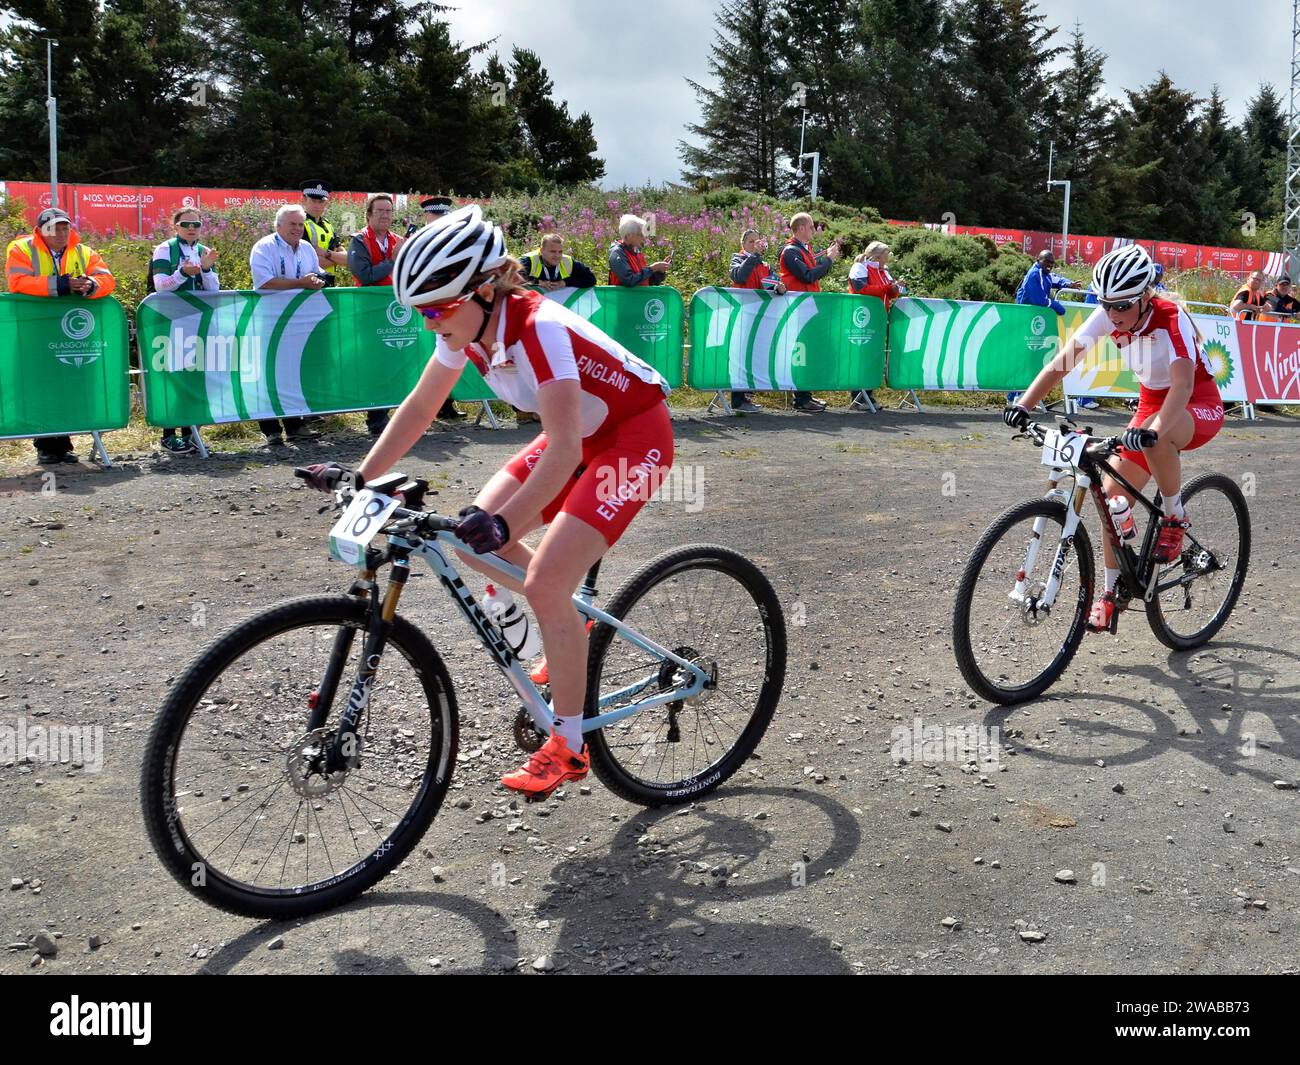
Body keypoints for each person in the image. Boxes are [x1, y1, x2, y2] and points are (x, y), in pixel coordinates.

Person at [301, 205, 674, 799]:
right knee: (467, 544)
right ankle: (571, 620)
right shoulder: (468, 329)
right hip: (573, 436)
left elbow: (564, 450)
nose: (428, 324)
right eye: (420, 311)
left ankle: (571, 745)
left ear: (483, 291)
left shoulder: (539, 329)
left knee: (543, 578)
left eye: (437, 309)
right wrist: (362, 474)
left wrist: (503, 523)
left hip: (632, 436)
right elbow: (422, 407)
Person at [1003, 244, 1223, 633]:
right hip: (1150, 405)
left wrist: (1153, 432)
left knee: (1158, 432)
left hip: (1196, 403)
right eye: (1106, 305)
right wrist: (1024, 405)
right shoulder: (1108, 316)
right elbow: (1062, 363)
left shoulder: (1171, 318)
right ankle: (1110, 593)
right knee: (1112, 500)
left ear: (1144, 297)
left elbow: (1184, 386)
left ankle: (1175, 514)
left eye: (1122, 306)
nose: (1113, 314)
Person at [4, 207, 117, 464]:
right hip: (34, 330)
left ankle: (64, 444)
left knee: (69, 384)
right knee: (39, 385)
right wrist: (63, 285)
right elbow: (18, 282)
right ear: (41, 230)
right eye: (55, 227)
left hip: (72, 332)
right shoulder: (21, 249)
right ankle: (44, 445)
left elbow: (107, 280)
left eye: (65, 227)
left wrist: (90, 286)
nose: (61, 232)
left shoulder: (83, 251)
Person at [249, 204, 327, 446]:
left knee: (292, 374)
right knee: (268, 374)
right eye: (292, 224)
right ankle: (271, 429)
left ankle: (295, 425)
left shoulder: (306, 248)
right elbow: (264, 282)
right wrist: (301, 283)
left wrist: (317, 280)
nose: (297, 229)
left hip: (299, 321)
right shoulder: (264, 247)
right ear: (278, 225)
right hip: (270, 320)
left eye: (301, 224)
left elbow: (316, 273)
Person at [151, 207, 220, 455]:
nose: (192, 228)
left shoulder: (203, 251)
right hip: (169, 322)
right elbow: (160, 285)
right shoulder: (164, 248)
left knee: (194, 377)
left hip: (198, 323)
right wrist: (182, 273)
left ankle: (191, 433)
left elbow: (213, 289)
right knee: (174, 376)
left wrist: (207, 269)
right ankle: (168, 436)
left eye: (196, 224)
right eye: (186, 224)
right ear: (175, 226)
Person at [347, 193, 405, 437]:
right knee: (374, 364)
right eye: (379, 211)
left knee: (395, 363)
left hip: (396, 311)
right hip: (369, 313)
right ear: (368, 215)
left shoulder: (399, 240)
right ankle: (375, 418)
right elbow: (365, 275)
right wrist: (392, 261)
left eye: (388, 211)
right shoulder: (359, 241)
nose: (385, 215)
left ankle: (393, 414)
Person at [779, 213, 843, 412]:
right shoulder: (790, 251)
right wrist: (829, 260)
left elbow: (813, 274)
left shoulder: (802, 250)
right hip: (799, 309)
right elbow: (807, 276)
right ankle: (802, 398)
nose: (813, 230)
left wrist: (827, 259)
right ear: (799, 229)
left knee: (809, 352)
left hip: (807, 308)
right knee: (803, 353)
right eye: (810, 227)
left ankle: (805, 395)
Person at [727, 229, 787, 412]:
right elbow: (738, 276)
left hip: (760, 318)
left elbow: (773, 283)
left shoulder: (764, 264)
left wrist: (780, 288)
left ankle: (747, 398)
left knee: (752, 357)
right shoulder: (737, 258)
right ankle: (738, 401)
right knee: (741, 357)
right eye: (751, 241)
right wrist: (753, 257)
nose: (755, 245)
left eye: (757, 241)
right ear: (743, 244)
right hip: (742, 316)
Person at [1011, 249, 1079, 405]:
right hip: (1026, 322)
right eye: (1046, 262)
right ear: (1038, 259)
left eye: (1052, 263)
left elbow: (1053, 278)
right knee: (1024, 358)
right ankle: (1015, 396)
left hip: (1034, 322)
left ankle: (1024, 393)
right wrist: (1057, 306)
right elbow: (1039, 300)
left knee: (1032, 358)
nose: (1049, 265)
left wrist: (1067, 283)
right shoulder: (1034, 275)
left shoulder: (1042, 273)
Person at [847, 241, 903, 411]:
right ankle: (858, 398)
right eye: (886, 256)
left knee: (873, 359)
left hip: (879, 318)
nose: (888, 260)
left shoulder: (883, 271)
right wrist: (888, 287)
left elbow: (891, 292)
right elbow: (861, 290)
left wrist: (896, 288)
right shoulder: (860, 267)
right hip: (863, 319)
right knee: (862, 358)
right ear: (878, 257)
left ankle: (868, 395)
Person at [301, 180, 347, 285]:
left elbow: (347, 259)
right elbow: (309, 262)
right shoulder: (299, 224)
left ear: (326, 203)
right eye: (313, 200)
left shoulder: (328, 225)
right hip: (309, 285)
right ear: (304, 200)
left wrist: (326, 253)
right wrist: (336, 259)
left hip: (329, 284)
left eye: (321, 202)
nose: (317, 205)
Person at [608, 214, 670, 287]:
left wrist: (659, 271)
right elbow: (629, 281)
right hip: (623, 298)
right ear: (628, 235)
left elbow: (645, 281)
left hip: (638, 297)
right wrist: (652, 269)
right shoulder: (617, 253)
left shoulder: (635, 251)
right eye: (640, 234)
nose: (644, 238)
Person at [520, 233, 597, 291]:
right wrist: (538, 282)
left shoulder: (567, 261)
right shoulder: (528, 260)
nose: (557, 256)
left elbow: (591, 279)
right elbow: (513, 276)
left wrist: (565, 282)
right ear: (542, 250)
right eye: (553, 251)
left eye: (560, 252)